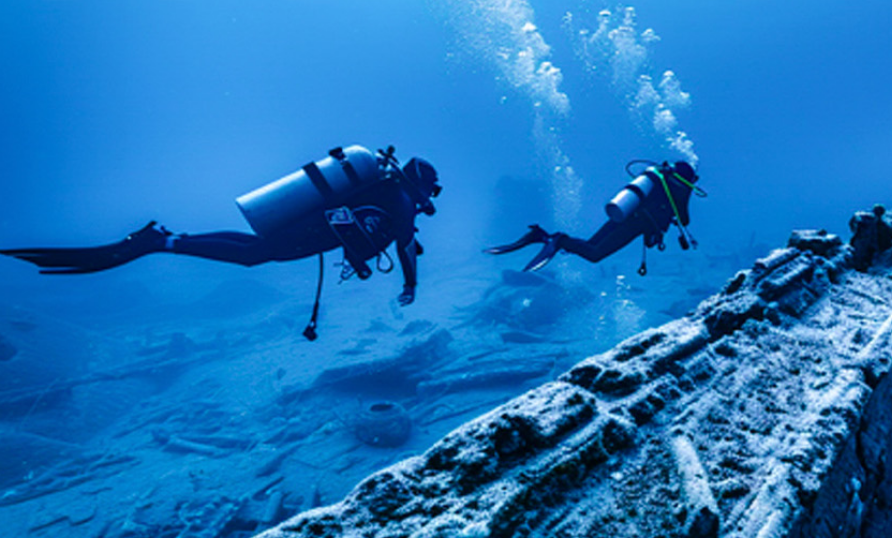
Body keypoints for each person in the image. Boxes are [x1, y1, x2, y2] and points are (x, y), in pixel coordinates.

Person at [1, 145, 441, 338]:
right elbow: (401, 245)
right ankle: (162, 241)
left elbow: (363, 225)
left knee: (255, 248)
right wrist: (410, 285)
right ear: (420, 187)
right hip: (312, 230)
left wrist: (356, 249)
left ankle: (166, 239)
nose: (426, 202)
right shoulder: (399, 201)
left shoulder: (387, 191)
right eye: (430, 193)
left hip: (312, 226)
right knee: (255, 255)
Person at [486, 160, 704, 275]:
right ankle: (557, 240)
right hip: (634, 223)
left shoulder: (657, 181)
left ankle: (542, 236)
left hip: (622, 215)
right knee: (595, 254)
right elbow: (684, 220)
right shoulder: (678, 190)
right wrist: (687, 193)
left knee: (590, 245)